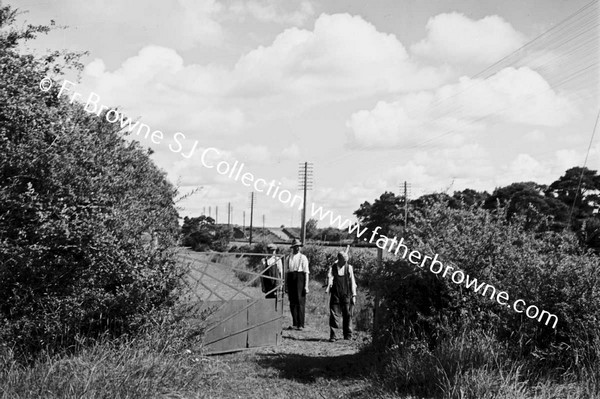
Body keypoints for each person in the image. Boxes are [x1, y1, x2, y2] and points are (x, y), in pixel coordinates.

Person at [326, 250, 357, 341]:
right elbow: (329, 278)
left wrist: (354, 295)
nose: (345, 262)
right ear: (339, 259)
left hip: (346, 294)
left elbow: (352, 282)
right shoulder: (333, 268)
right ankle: (333, 335)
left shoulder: (349, 268)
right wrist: (329, 282)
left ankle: (348, 335)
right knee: (334, 314)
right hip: (335, 294)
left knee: (347, 315)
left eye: (346, 260)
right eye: (344, 260)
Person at [284, 238, 309, 330]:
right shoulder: (288, 257)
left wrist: (306, 286)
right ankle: (294, 323)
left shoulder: (303, 257)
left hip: (300, 279)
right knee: (292, 302)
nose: (297, 248)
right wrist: (285, 285)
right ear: (292, 248)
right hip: (291, 278)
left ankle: (300, 324)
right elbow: (286, 272)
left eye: (298, 246)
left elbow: (306, 272)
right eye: (295, 247)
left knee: (300, 302)